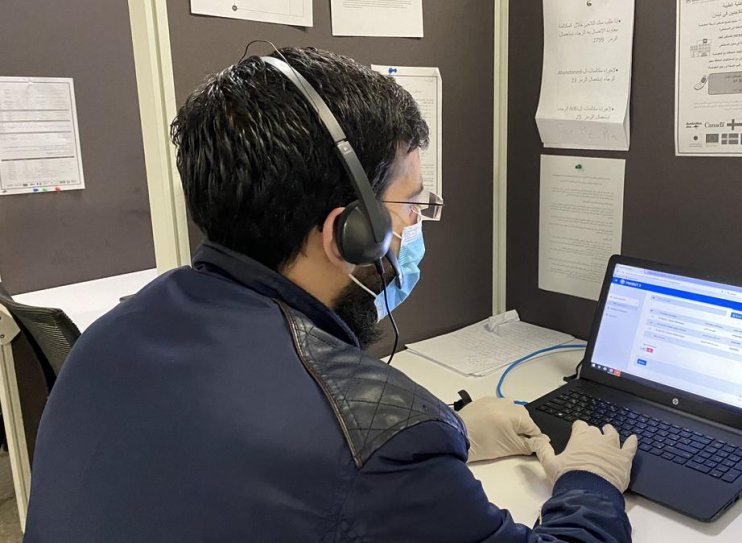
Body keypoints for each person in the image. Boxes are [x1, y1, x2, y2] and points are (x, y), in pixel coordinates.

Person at [24, 47, 637, 542]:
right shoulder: (380, 434)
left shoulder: (115, 332)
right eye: (410, 204)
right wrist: (590, 481)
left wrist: (450, 429)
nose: (413, 226)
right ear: (350, 232)